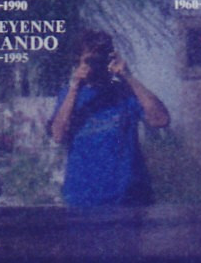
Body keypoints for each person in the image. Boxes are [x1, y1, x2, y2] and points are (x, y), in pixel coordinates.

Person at [48, 30, 170, 207]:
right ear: (78, 61)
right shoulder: (69, 96)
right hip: (83, 199)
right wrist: (75, 87)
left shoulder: (125, 92)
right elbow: (58, 135)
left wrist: (127, 76)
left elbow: (161, 119)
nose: (96, 65)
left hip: (129, 197)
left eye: (101, 59)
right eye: (90, 60)